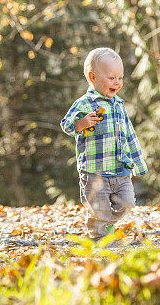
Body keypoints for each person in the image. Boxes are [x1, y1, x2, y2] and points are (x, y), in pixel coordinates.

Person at [60, 48, 147, 239]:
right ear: (93, 77)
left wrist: (139, 163)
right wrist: (81, 124)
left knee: (127, 203)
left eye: (120, 78)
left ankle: (101, 222)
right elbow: (65, 124)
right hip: (94, 172)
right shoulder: (84, 104)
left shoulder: (119, 105)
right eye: (111, 78)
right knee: (100, 210)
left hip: (120, 170)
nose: (117, 83)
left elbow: (130, 135)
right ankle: (101, 243)